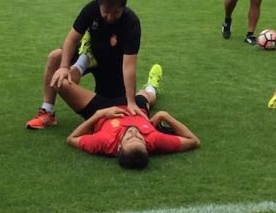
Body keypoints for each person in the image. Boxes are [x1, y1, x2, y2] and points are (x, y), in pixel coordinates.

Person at [26, 0, 142, 128]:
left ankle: (150, 88)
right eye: (106, 12)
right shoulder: (91, 9)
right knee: (55, 56)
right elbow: (72, 39)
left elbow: (129, 66)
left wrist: (131, 101)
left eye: (115, 13)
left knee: (113, 111)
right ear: (99, 4)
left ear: (123, 8)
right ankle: (47, 112)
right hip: (90, 55)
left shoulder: (131, 22)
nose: (109, 17)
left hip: (113, 65)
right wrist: (64, 67)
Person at [63, 67, 200, 169]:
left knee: (61, 83)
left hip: (103, 109)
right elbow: (193, 141)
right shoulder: (154, 141)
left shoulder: (104, 142)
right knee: (146, 96)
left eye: (129, 138)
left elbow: (71, 139)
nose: (134, 132)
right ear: (147, 147)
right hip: (135, 107)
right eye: (140, 138)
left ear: (119, 147)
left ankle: (84, 62)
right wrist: (164, 115)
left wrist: (100, 114)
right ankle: (152, 86)